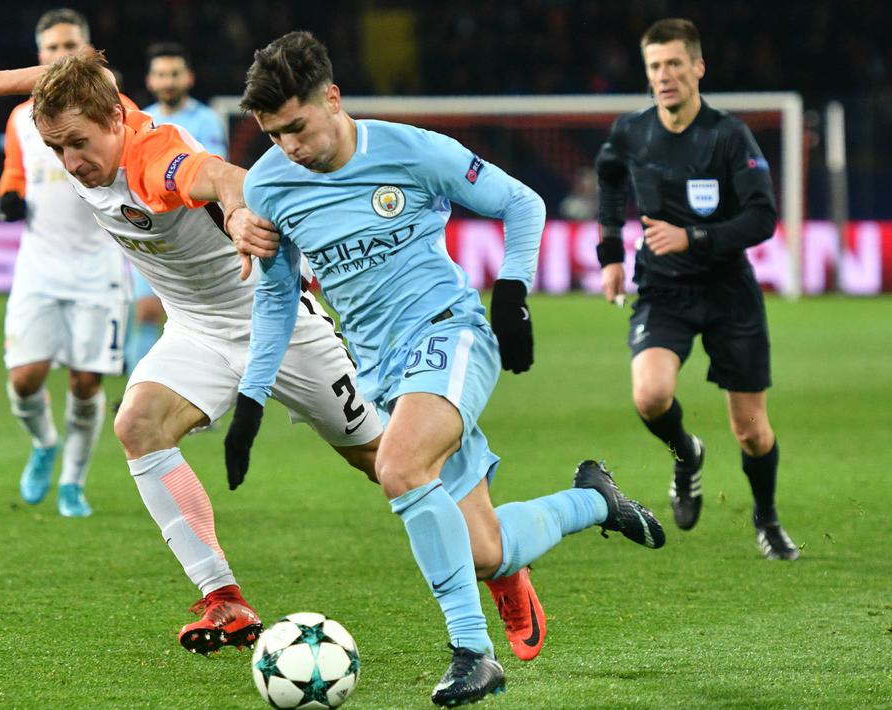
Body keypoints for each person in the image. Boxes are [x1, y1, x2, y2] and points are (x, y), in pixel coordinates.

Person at [226, 31, 666, 706]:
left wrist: (512, 294)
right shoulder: (268, 185)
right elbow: (279, 296)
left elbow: (521, 202)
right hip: (382, 374)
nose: (288, 146)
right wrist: (252, 398)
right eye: (273, 134)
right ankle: (595, 501)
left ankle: (473, 653)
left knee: (398, 467)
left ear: (332, 99)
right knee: (485, 551)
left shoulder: (412, 150)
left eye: (297, 127)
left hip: (448, 332)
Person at [0, 52, 385, 656]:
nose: (71, 162)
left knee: (384, 463)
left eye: (78, 144)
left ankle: (488, 549)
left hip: (278, 324)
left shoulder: (152, 157)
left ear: (114, 120)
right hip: (197, 329)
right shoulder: (95, 112)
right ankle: (225, 600)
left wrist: (239, 211)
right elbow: (77, 72)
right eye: (56, 148)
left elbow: (223, 175)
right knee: (137, 424)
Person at [594, 18, 798, 561]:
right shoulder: (632, 132)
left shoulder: (727, 136)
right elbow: (608, 176)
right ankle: (687, 454)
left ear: (698, 67)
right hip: (663, 289)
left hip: (729, 292)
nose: (664, 76)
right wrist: (610, 256)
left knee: (751, 431)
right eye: (655, 66)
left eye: (674, 64)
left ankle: (767, 519)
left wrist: (693, 236)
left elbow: (762, 216)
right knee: (650, 395)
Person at [0, 8, 129, 517]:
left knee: (85, 382)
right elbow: (15, 173)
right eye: (51, 48)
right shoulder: (20, 118)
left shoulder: (116, 109)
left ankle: (73, 482)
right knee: (24, 378)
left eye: (69, 46)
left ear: (89, 53)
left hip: (99, 266)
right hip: (39, 266)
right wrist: (6, 198)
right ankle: (44, 443)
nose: (59, 56)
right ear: (38, 55)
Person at [121, 41, 228, 376]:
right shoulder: (139, 121)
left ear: (189, 77)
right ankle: (137, 387)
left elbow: (212, 173)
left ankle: (200, 387)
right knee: (146, 311)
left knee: (202, 320)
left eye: (174, 74)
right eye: (161, 74)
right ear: (150, 80)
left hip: (197, 232)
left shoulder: (207, 120)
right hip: (152, 230)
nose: (168, 81)